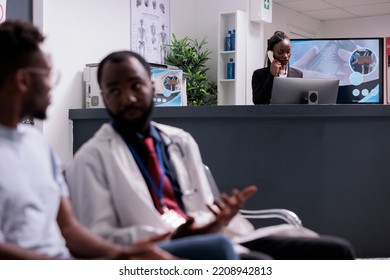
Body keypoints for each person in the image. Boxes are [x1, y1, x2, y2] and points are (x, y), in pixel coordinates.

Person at [65, 50, 356, 260]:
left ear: (152, 87)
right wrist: (176, 234)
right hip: (154, 250)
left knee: (334, 251)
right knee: (258, 265)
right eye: (114, 90)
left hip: (210, 236)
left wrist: (219, 219)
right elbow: (99, 237)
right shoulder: (91, 158)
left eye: (135, 86)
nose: (127, 97)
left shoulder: (179, 140)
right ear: (103, 96)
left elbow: (201, 206)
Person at [0, 20, 238, 260]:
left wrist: (124, 254)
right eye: (49, 74)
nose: (53, 85)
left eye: (136, 86)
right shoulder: (91, 156)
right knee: (219, 251)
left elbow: (69, 228)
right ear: (23, 80)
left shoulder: (38, 146)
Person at [252, 31, 303, 104]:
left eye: (288, 51)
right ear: (271, 54)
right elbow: (258, 101)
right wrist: (272, 76)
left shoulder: (298, 74)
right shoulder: (259, 74)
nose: (285, 56)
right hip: (270, 115)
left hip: (291, 114)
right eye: (280, 52)